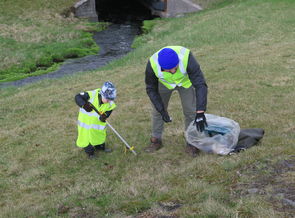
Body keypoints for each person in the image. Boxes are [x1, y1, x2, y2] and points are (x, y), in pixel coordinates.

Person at [144, 46, 208, 156]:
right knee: (157, 112)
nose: (173, 71)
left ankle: (191, 142)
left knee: (191, 111)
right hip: (164, 83)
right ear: (162, 67)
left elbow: (200, 84)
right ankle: (156, 140)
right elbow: (151, 89)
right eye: (169, 70)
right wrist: (162, 110)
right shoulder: (152, 65)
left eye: (175, 67)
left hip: (185, 83)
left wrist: (200, 111)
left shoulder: (187, 58)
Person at [75, 81, 117, 159]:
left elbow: (109, 111)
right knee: (85, 139)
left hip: (97, 125)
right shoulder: (91, 95)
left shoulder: (110, 103)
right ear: (102, 94)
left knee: (99, 136)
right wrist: (84, 105)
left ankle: (100, 147)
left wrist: (105, 116)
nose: (109, 101)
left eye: (110, 99)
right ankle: (90, 153)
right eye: (107, 99)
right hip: (85, 123)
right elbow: (77, 97)